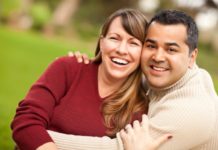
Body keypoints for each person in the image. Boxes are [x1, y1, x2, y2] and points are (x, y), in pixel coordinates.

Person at [47, 9, 218, 150]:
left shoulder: (191, 112)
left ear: (192, 57)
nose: (158, 57)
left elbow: (118, 148)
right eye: (151, 46)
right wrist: (80, 66)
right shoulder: (163, 77)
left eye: (171, 50)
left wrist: (38, 138)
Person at [11, 8, 170, 150]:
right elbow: (26, 121)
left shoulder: (141, 108)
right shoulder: (68, 68)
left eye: (133, 43)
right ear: (102, 42)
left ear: (143, 52)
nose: (122, 50)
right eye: (114, 38)